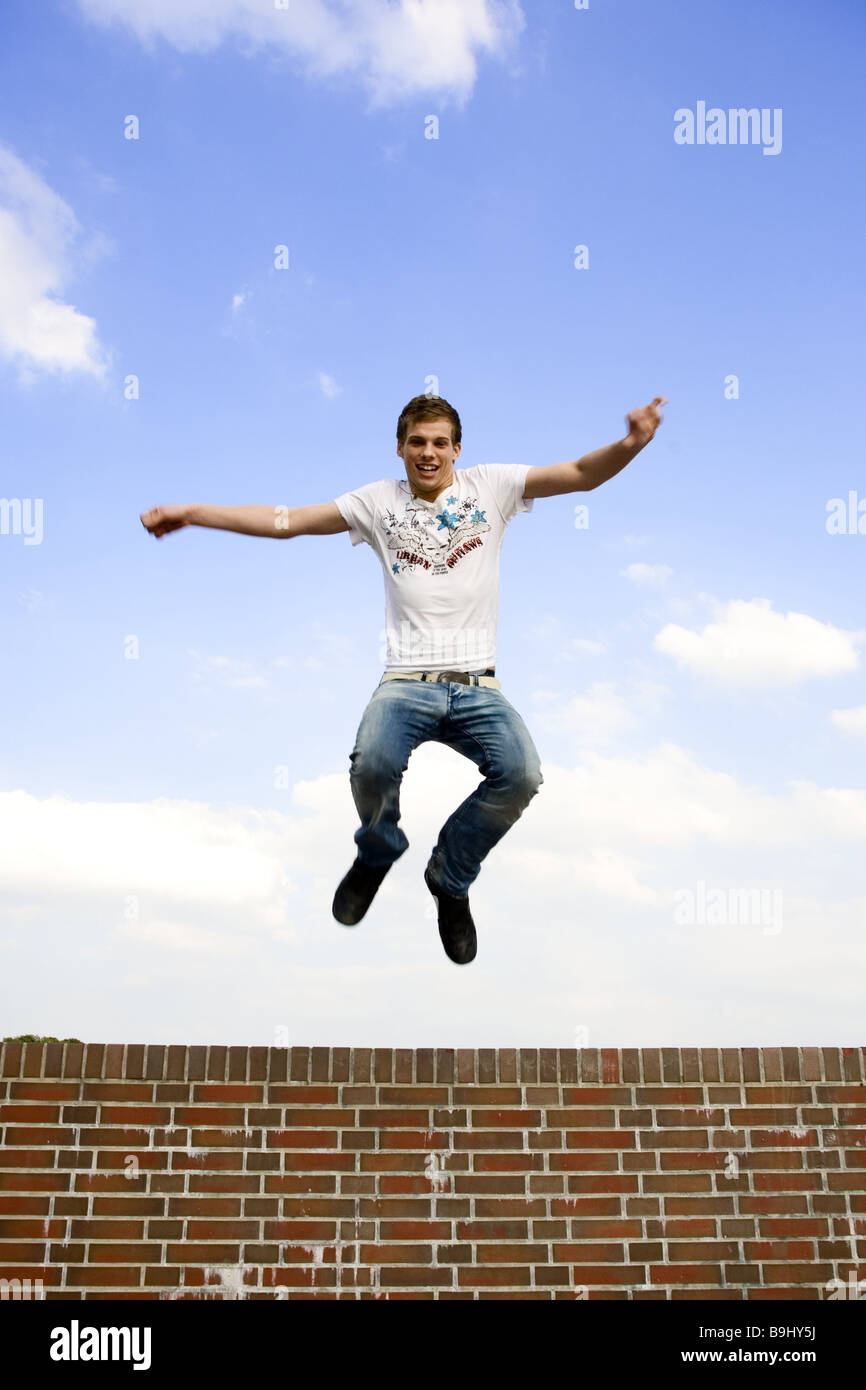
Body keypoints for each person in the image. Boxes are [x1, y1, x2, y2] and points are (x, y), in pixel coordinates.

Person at [140, 392, 666, 965]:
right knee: (372, 761)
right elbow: (285, 522)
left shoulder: (492, 487)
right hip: (404, 680)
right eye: (417, 442)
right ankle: (378, 848)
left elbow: (581, 475)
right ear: (400, 448)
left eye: (440, 443)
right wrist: (194, 513)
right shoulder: (375, 503)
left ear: (457, 450)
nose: (428, 452)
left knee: (521, 774)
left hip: (477, 684)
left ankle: (451, 877)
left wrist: (632, 443)